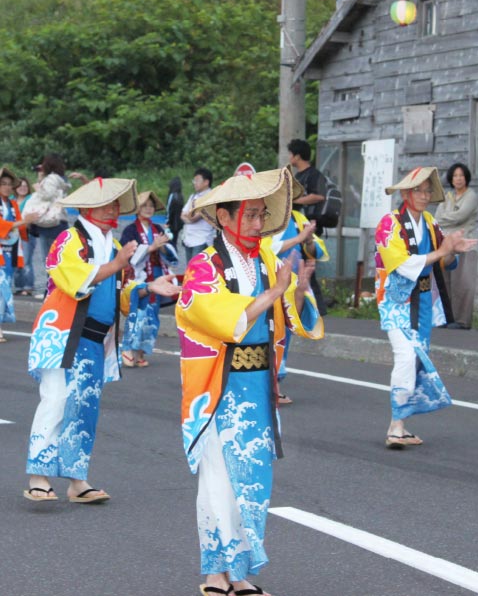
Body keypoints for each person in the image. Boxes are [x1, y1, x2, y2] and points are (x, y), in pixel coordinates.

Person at [176, 167, 323, 596]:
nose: (258, 224)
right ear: (224, 217)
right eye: (251, 215)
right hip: (220, 386)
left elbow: (290, 315)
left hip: (258, 384)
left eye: (262, 215)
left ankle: (237, 571)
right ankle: (213, 573)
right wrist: (275, 293)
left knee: (252, 479)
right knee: (219, 479)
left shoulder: (266, 260)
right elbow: (214, 316)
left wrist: (296, 291)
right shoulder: (205, 265)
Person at [24, 178, 180, 503]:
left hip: (94, 339)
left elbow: (118, 288)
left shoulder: (109, 246)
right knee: (56, 400)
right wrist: (118, 264)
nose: (114, 210)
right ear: (88, 208)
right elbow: (73, 281)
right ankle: (38, 475)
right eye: (108, 204)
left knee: (85, 407)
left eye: (115, 204)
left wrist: (148, 287)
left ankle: (76, 480)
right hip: (65, 334)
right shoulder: (70, 239)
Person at [375, 167, 478, 449]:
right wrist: (443, 251)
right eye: (417, 190)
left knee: (417, 358)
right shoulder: (389, 223)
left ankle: (399, 424)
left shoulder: (431, 223)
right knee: (406, 356)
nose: (423, 195)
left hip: (422, 303)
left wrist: (453, 250)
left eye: (427, 191)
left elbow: (440, 262)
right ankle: (396, 426)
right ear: (406, 193)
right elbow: (402, 264)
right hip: (396, 301)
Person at [266, 176, 329, 404]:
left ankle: (274, 383)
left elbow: (317, 250)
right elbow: (265, 247)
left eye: (289, 193)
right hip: (269, 283)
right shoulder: (265, 219)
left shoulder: (298, 218)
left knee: (287, 331)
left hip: (295, 284)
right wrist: (299, 239)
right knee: (269, 330)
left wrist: (309, 240)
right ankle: (268, 384)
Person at [120, 190, 179, 369]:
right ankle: (128, 349)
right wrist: (150, 248)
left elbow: (171, 254)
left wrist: (161, 248)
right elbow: (127, 254)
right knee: (138, 312)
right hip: (139, 277)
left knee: (151, 315)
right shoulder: (130, 230)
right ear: (137, 209)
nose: (148, 209)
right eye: (144, 205)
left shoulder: (158, 229)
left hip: (157, 274)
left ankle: (140, 352)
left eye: (151, 206)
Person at [434, 163, 478, 329]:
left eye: (461, 175)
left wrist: (445, 217)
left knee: (463, 285)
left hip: (465, 245)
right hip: (447, 244)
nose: (458, 179)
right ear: (451, 179)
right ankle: (445, 318)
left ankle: (462, 321)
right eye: (455, 176)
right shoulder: (448, 196)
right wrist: (446, 218)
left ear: (466, 177)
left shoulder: (471, 196)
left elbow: (460, 216)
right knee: (444, 282)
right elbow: (437, 217)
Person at [288, 139, 327, 314]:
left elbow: (320, 196)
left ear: (297, 155)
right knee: (301, 268)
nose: (289, 157)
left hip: (310, 227)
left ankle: (317, 308)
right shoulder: (297, 176)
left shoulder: (314, 174)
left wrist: (296, 200)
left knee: (308, 268)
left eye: (291, 154)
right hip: (296, 227)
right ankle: (305, 307)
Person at [0, 168, 40, 342]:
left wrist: (29, 222)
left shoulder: (12, 204)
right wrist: (25, 221)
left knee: (5, 288)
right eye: (3, 183)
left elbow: (20, 228)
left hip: (9, 252)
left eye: (9, 184)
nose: (7, 187)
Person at [28, 154, 71, 262]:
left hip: (50, 223)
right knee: (59, 258)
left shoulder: (51, 178)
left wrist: (38, 187)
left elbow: (47, 195)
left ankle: (52, 279)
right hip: (60, 220)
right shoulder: (62, 179)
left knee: (49, 260)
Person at [181, 167, 216, 262]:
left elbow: (194, 217)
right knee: (190, 269)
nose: (194, 183)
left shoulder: (210, 197)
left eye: (197, 180)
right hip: (189, 238)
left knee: (197, 270)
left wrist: (188, 217)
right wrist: (189, 216)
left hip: (201, 240)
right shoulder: (193, 196)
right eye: (194, 180)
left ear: (206, 182)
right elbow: (182, 214)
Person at [12, 176, 37, 296]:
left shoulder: (31, 199)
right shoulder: (10, 199)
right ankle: (18, 286)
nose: (23, 188)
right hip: (12, 235)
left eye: (25, 186)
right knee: (16, 261)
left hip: (27, 234)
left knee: (26, 261)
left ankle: (27, 287)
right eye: (20, 186)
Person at [166, 176, 185, 248]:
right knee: (174, 241)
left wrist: (167, 222)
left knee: (169, 242)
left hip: (172, 223)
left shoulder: (172, 195)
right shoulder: (181, 196)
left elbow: (169, 209)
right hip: (178, 223)